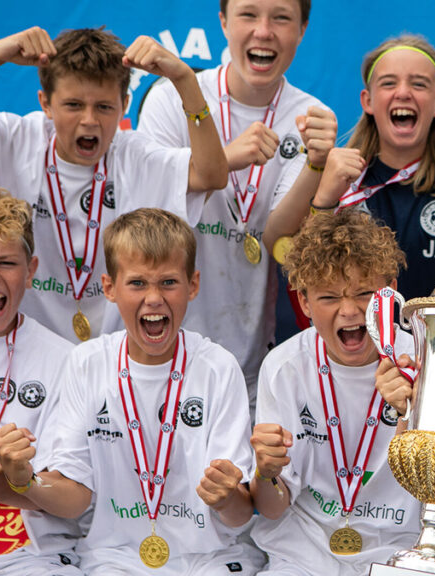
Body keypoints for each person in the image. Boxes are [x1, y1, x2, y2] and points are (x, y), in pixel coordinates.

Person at [0, 208, 260, 575]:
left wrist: (226, 497)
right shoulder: (87, 364)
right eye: (137, 283)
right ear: (109, 288)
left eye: (168, 282)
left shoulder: (218, 367)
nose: (154, 298)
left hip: (209, 560)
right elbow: (74, 499)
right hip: (114, 559)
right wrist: (26, 482)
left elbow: (240, 515)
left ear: (193, 285)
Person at [0, 26, 226, 343]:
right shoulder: (17, 139)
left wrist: (184, 79)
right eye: (73, 105)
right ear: (45, 103)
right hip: (26, 349)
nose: (89, 120)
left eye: (104, 107)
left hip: (112, 356)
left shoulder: (134, 155)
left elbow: (212, 175)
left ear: (124, 105)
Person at [138, 0, 337, 402]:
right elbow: (144, 212)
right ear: (224, 22)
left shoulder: (311, 118)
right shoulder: (170, 98)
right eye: (249, 14)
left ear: (302, 29)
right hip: (158, 350)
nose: (264, 31)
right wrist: (224, 158)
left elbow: (278, 238)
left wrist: (317, 165)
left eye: (281, 17)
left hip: (248, 364)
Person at [250, 209, 421, 575]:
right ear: (304, 302)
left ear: (391, 291)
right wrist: (265, 473)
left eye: (364, 293)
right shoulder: (284, 368)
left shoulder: (422, 363)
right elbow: (272, 507)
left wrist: (413, 413)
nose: (349, 310)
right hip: (302, 555)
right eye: (329, 297)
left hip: (399, 553)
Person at [310, 35, 435, 301]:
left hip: (429, 330)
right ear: (368, 101)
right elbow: (308, 280)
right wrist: (324, 202)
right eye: (388, 83)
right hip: (354, 328)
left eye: (419, 84)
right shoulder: (342, 180)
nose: (404, 93)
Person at [0, 189, 81, 575]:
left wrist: (22, 483)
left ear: (30, 271)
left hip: (30, 560)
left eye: (6, 262)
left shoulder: (67, 362)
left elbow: (75, 500)